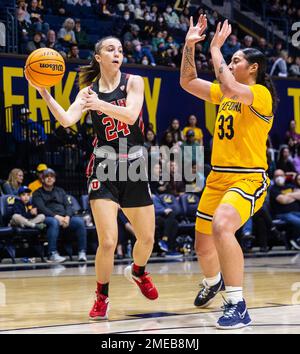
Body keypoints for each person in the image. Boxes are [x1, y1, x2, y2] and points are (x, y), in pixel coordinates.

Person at [25, 36, 158, 320]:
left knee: (147, 239)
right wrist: (45, 93)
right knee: (108, 241)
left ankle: (138, 271)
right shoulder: (88, 91)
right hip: (104, 167)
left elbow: (132, 116)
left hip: (133, 166)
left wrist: (99, 104)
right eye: (110, 49)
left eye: (121, 49)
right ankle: (102, 296)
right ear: (98, 57)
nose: (117, 53)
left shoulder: (134, 81)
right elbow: (66, 120)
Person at [180, 15, 277, 329]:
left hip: (248, 177)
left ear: (253, 69)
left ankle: (237, 304)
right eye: (230, 60)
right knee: (203, 246)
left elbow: (230, 84)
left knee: (223, 226)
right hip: (217, 178)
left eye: (237, 60)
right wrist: (188, 46)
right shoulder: (226, 94)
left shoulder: (259, 95)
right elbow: (187, 82)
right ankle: (213, 281)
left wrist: (216, 48)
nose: (230, 64)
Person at [32, 168, 87, 263]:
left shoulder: (60, 191)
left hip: (64, 218)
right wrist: (57, 217)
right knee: (53, 222)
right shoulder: (37, 193)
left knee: (79, 222)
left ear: (55, 179)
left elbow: (68, 205)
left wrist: (68, 217)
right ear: (42, 179)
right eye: (47, 177)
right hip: (47, 218)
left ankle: (82, 252)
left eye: (52, 176)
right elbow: (41, 208)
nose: (49, 178)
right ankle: (52, 254)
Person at [269, 169, 300, 250]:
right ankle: (295, 240)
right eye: (277, 176)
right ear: (274, 178)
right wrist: (293, 196)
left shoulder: (290, 186)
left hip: (296, 212)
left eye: (281, 175)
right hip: (283, 214)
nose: (279, 177)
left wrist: (288, 195)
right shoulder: (273, 189)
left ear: (285, 176)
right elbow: (283, 200)